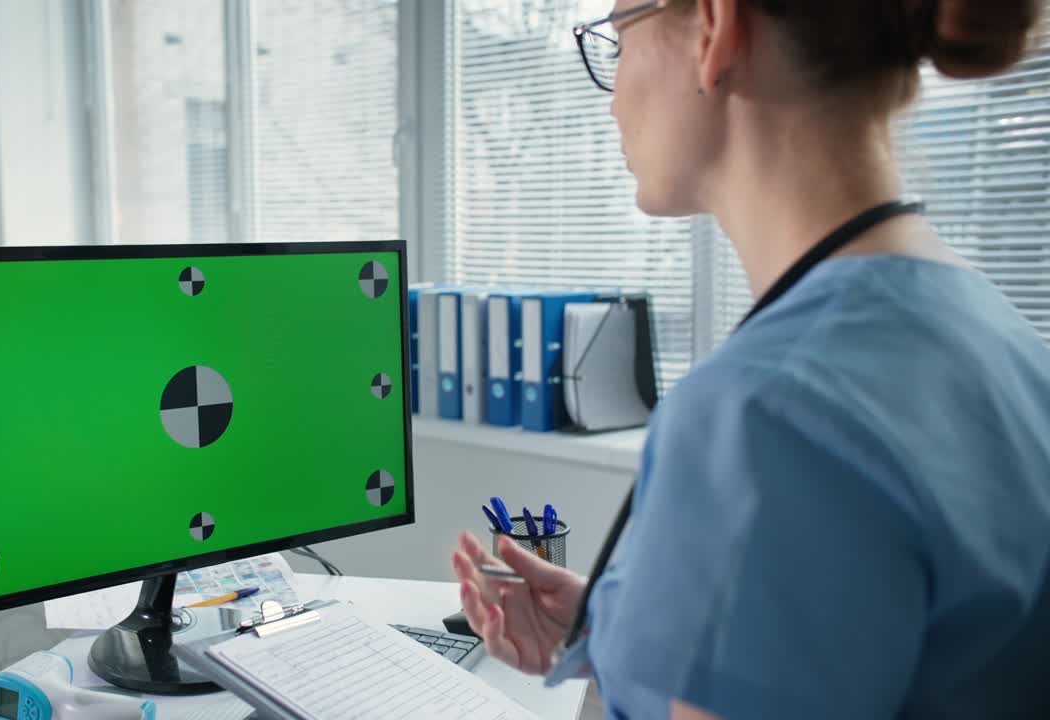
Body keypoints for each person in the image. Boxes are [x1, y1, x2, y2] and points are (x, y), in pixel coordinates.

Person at [450, 1, 1050, 718]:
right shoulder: (1003, 342)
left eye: (617, 40)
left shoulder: (768, 409)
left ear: (712, 29)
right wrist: (622, 633)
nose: (611, 101)